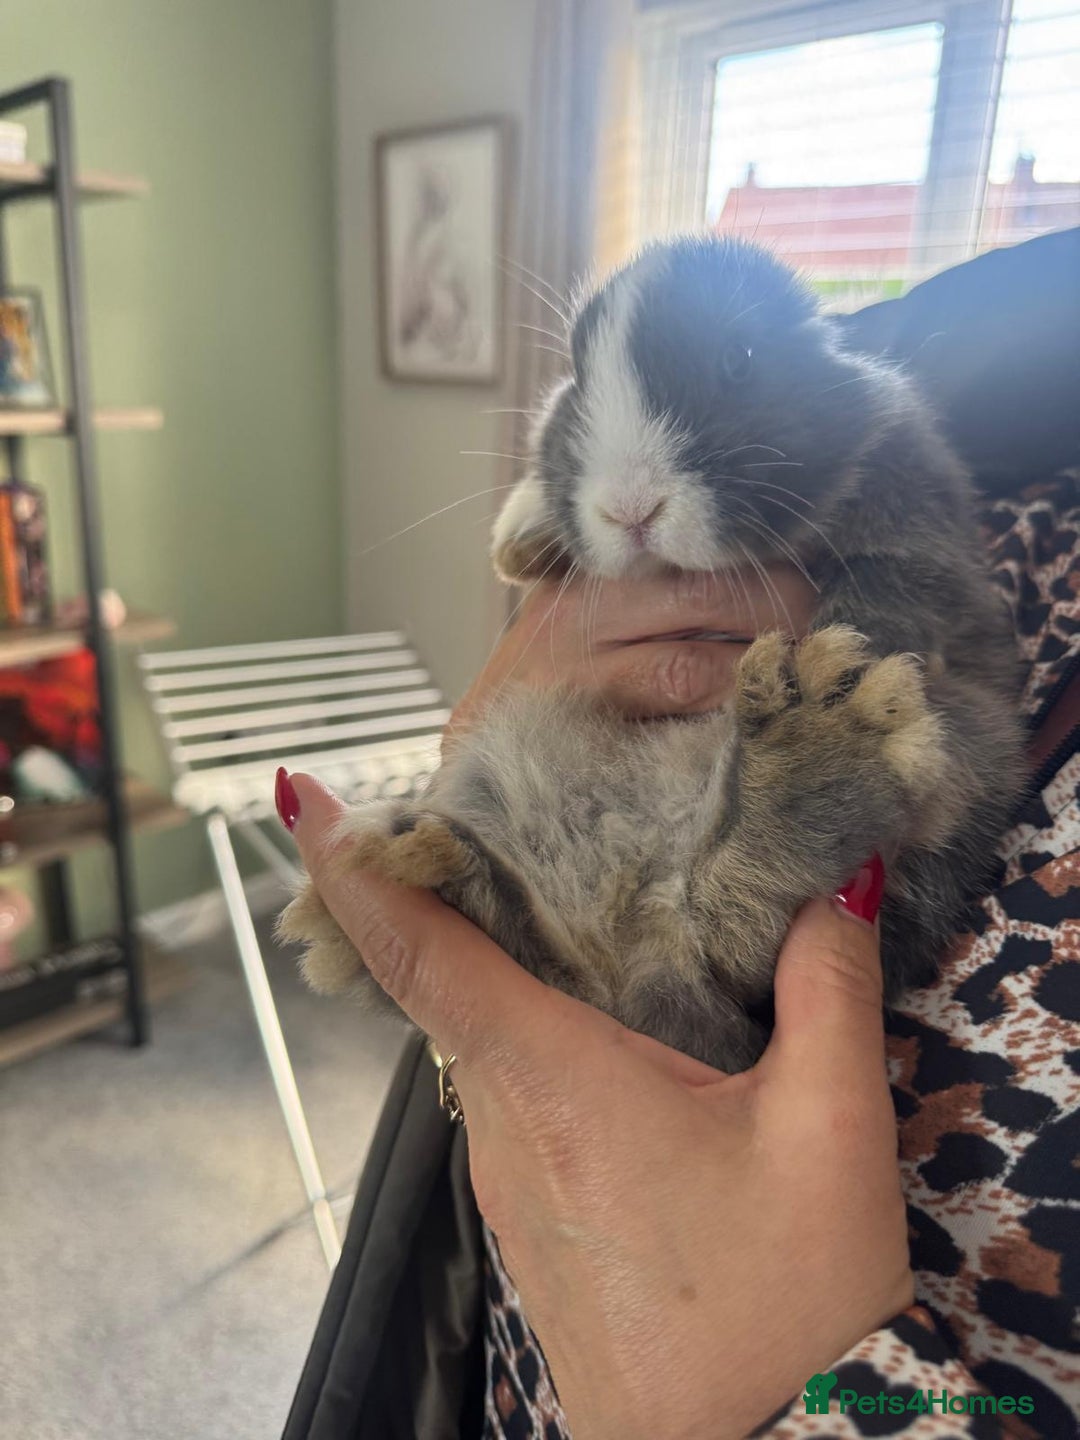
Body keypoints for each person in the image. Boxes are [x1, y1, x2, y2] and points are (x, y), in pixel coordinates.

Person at [281, 229, 1080, 1440]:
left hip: (777, 1319)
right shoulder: (999, 408)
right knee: (525, 772)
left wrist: (778, 1400)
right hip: (528, 1354)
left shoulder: (882, 446)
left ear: (799, 350)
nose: (632, 498)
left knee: (847, 774)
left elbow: (909, 649)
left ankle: (759, 833)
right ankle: (495, 893)